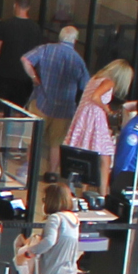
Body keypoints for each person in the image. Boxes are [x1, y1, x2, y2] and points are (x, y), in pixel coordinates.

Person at [22, 26, 91, 173]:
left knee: (34, 139)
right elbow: (85, 86)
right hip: (64, 109)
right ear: (75, 41)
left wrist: (35, 77)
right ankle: (52, 173)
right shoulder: (78, 60)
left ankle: (30, 170)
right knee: (56, 144)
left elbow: (25, 59)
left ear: (59, 37)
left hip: (41, 102)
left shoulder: (46, 49)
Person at [64, 60, 135, 194]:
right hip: (95, 117)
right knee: (105, 155)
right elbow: (95, 97)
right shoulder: (108, 82)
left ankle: (85, 190)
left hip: (83, 116)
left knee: (89, 153)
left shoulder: (95, 79)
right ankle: (103, 192)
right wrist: (106, 108)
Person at [0, 0, 42, 107]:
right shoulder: (35, 28)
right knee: (18, 111)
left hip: (4, 74)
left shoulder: (6, 25)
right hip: (24, 76)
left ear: (15, 5)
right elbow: (38, 54)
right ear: (29, 7)